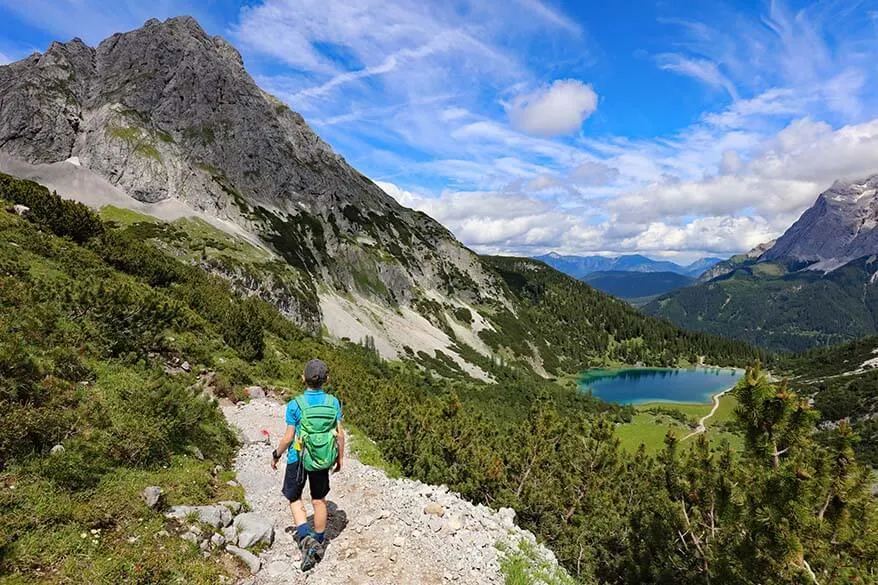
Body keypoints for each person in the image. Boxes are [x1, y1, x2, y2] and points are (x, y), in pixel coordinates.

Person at [271, 358, 344, 571]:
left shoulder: (295, 405)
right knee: (319, 499)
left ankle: (305, 538)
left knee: (294, 497)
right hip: (322, 460)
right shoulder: (333, 402)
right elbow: (340, 435)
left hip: (299, 459)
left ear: (303, 378)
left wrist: (276, 454)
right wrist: (340, 458)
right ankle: (319, 539)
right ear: (326, 379)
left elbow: (288, 437)